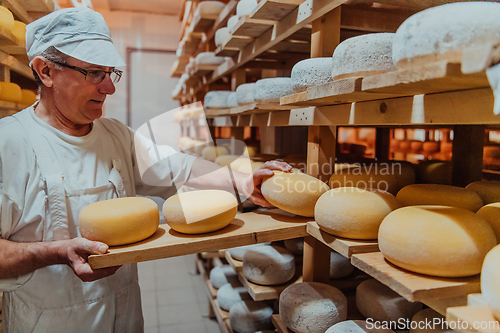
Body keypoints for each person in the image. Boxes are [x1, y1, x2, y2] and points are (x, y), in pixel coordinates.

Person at [0, 7, 291, 332]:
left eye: (111, 73)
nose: (108, 88)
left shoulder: (115, 135)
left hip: (125, 315)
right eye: (95, 73)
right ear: (46, 71)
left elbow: (178, 167)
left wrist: (244, 180)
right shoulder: (8, 144)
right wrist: (55, 252)